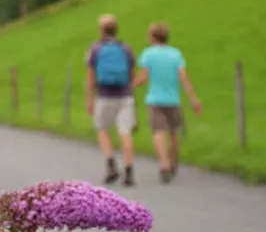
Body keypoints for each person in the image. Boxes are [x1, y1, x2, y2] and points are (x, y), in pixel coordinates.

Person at [134, 23, 202, 183]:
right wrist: (194, 99)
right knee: (173, 133)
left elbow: (143, 78)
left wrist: (130, 85)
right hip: (173, 100)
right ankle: (172, 163)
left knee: (158, 132)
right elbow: (183, 78)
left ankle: (163, 164)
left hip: (155, 99)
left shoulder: (148, 54)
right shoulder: (176, 54)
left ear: (152, 37)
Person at [85, 14, 136, 186]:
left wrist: (89, 99)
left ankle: (111, 163)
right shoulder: (126, 48)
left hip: (105, 96)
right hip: (125, 95)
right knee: (125, 132)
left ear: (101, 30)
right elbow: (132, 75)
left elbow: (90, 77)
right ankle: (129, 169)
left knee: (102, 128)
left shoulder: (96, 49)